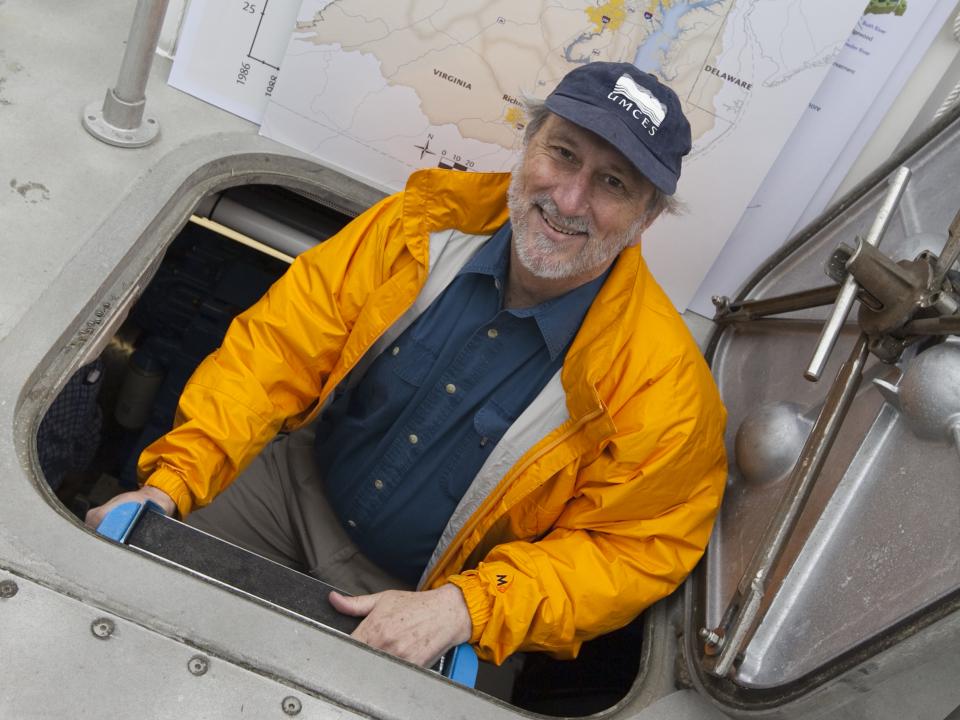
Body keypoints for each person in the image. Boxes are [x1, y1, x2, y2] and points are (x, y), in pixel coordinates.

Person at [86, 62, 727, 669]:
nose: (569, 197)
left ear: (646, 218)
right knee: (114, 606)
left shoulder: (664, 387)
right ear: (529, 145)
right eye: (562, 153)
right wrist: (172, 481)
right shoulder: (419, 227)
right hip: (291, 488)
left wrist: (468, 607)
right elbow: (277, 349)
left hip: (433, 595)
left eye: (613, 183)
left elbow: (631, 550)